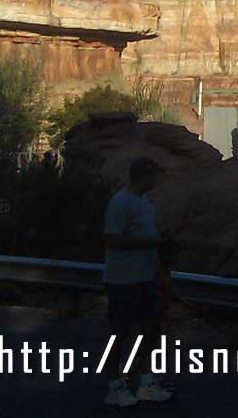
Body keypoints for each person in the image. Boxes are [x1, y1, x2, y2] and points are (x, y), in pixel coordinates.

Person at [101, 156, 174, 406]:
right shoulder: (120, 203)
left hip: (145, 277)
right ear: (145, 176)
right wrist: (149, 242)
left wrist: (158, 241)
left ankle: (145, 382)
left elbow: (144, 234)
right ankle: (114, 385)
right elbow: (111, 238)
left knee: (151, 327)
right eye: (154, 175)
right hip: (123, 278)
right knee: (119, 333)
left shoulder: (144, 201)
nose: (157, 180)